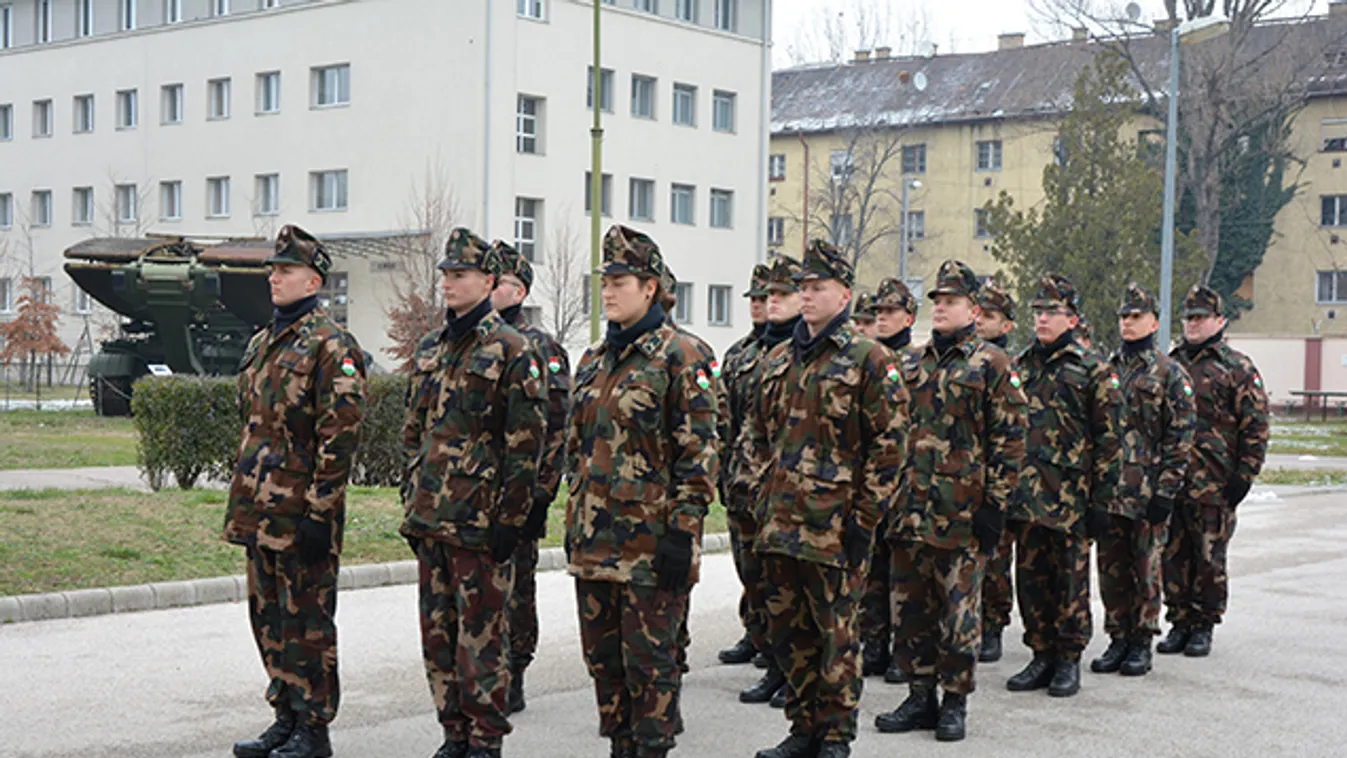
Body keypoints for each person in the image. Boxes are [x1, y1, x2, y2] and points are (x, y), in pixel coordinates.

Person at [745, 239, 909, 758]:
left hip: (836, 528)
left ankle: (835, 735)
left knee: (837, 636)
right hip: (780, 524)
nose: (807, 296)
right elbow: (755, 435)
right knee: (789, 634)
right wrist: (755, 495)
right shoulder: (777, 359)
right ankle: (803, 726)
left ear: (844, 295)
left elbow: (890, 447)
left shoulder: (870, 360)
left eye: (818, 288)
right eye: (803, 288)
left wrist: (866, 520)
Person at [565, 225, 718, 758]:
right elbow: (578, 450)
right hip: (594, 545)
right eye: (604, 280)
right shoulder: (593, 360)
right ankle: (620, 747)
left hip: (652, 549)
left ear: (650, 287)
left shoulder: (683, 355)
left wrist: (683, 529)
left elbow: (697, 453)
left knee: (651, 667)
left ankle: (651, 750)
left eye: (620, 280)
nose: (607, 291)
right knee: (604, 663)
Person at [401, 228, 548, 758]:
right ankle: (453, 733)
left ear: (488, 281)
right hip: (431, 519)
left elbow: (525, 445)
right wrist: (411, 495)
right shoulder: (430, 348)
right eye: (445, 274)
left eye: (459, 274)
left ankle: (486, 739)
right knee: (437, 638)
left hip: (481, 525)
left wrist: (511, 520)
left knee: (481, 640)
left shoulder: (513, 350)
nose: (448, 283)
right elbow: (413, 431)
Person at [226, 224, 366, 758]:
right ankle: (284, 715)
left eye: (284, 270)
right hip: (258, 509)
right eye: (272, 269)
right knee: (268, 618)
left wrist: (320, 511)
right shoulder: (263, 341)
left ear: (313, 278)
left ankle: (314, 727)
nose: (273, 277)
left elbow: (342, 432)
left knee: (307, 619)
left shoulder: (332, 345)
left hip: (302, 513)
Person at [875, 260, 1026, 742]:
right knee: (911, 610)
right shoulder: (910, 363)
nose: (941, 308)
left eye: (952, 301)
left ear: (974, 309)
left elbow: (1011, 441)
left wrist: (994, 507)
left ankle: (954, 701)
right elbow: (889, 433)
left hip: (961, 514)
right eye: (936, 301)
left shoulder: (992, 364)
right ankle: (920, 696)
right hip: (908, 511)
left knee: (959, 613)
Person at [1006, 274, 1122, 699]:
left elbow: (1111, 442)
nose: (1041, 319)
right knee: (1031, 581)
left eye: (1051, 311)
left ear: (1072, 318)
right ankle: (1040, 654)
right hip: (1027, 497)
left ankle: (1068, 659)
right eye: (1037, 311)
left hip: (1071, 500)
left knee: (1070, 583)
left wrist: (1104, 501)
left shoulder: (1094, 371)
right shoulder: (1021, 367)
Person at [1092, 283, 1195, 677]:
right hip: (1111, 491)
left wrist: (1167, 490)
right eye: (1124, 317)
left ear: (1153, 321)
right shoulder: (1107, 369)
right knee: (1111, 569)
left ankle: (1142, 641)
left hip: (1148, 491)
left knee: (1147, 568)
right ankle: (1118, 636)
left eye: (1136, 316)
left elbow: (1181, 436)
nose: (1128, 323)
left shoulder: (1170, 373)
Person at [1161, 285, 1269, 657]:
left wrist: (1244, 476)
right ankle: (1178, 621)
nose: (1193, 324)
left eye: (1200, 317)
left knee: (1208, 558)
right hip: (1174, 482)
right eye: (1188, 318)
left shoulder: (1236, 368)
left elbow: (1255, 426)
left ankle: (1204, 623)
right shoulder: (1171, 364)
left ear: (1219, 321)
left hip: (1215, 483)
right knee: (1173, 556)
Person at [488, 241, 572, 714]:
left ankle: (515, 667)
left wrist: (542, 491)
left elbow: (557, 424)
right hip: (474, 492)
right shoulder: (472, 342)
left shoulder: (541, 346)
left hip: (520, 489)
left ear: (517, 290)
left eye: (497, 281)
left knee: (517, 585)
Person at [728, 255, 804, 707]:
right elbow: (728, 420)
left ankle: (793, 674)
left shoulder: (804, 356)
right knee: (756, 582)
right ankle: (771, 661)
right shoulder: (743, 355)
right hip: (745, 488)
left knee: (789, 593)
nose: (769, 303)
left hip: (790, 495)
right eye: (765, 296)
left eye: (780, 295)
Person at [861, 276, 923, 683]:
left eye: (890, 312)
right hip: (870, 479)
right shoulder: (864, 360)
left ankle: (904, 654)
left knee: (904, 578)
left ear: (909, 317)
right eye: (878, 312)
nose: (882, 319)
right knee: (870, 573)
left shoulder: (920, 362)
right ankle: (874, 646)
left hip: (908, 484)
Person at [718, 262, 773, 667]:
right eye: (753, 299)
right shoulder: (738, 354)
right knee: (746, 560)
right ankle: (753, 631)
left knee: (775, 568)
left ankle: (776, 643)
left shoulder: (787, 354)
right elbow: (724, 417)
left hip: (777, 479)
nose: (758, 306)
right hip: (740, 473)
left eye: (765, 298)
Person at [974, 278, 1018, 663]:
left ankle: (993, 626)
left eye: (989, 317)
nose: (980, 323)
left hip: (1012, 482)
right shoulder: (969, 365)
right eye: (978, 314)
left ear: (1006, 326)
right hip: (970, 483)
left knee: (999, 562)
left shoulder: (1013, 368)